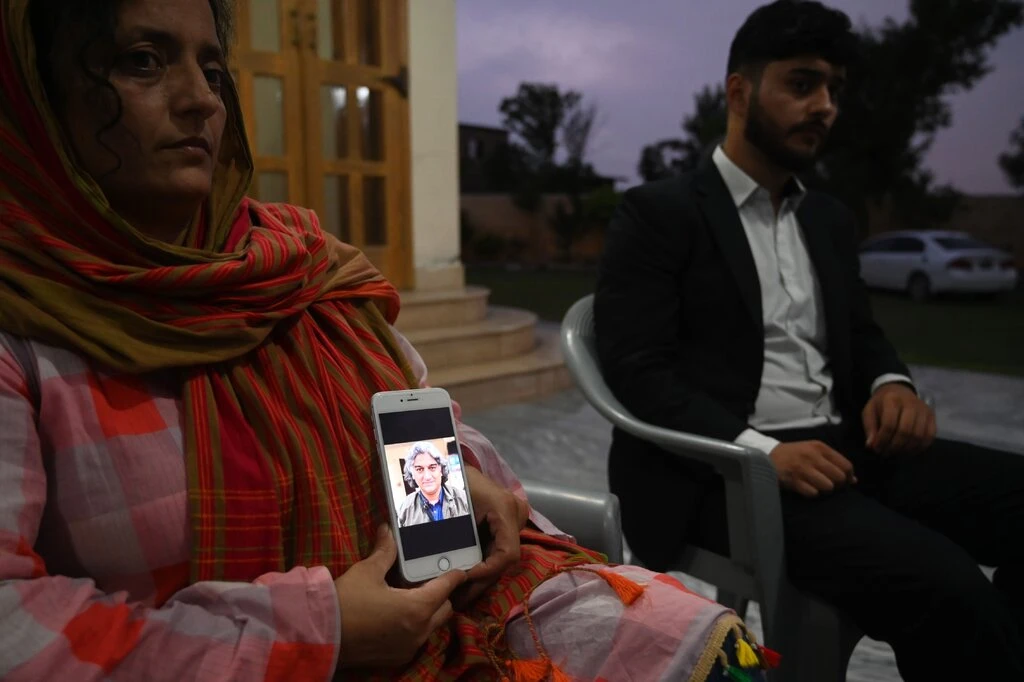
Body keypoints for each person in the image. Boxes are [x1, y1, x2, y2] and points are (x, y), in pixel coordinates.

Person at [0, 0, 772, 679]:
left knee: (713, 649)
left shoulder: (299, 268)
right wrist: (319, 632)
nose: (202, 100)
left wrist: (464, 480)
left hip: (453, 617)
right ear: (37, 93)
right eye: (142, 62)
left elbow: (418, 417)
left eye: (212, 66)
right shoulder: (24, 326)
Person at [594, 1, 1024, 679]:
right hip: (723, 474)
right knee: (950, 587)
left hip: (851, 449)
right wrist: (765, 455)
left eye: (833, 90)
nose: (825, 105)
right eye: (802, 84)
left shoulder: (826, 219)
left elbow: (861, 333)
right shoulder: (660, 213)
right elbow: (637, 370)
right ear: (739, 92)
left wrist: (892, 384)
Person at [397, 442, 471, 526]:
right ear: (412, 474)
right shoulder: (403, 511)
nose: (427, 476)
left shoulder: (465, 499)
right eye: (419, 469)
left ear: (441, 470)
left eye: (432, 467)